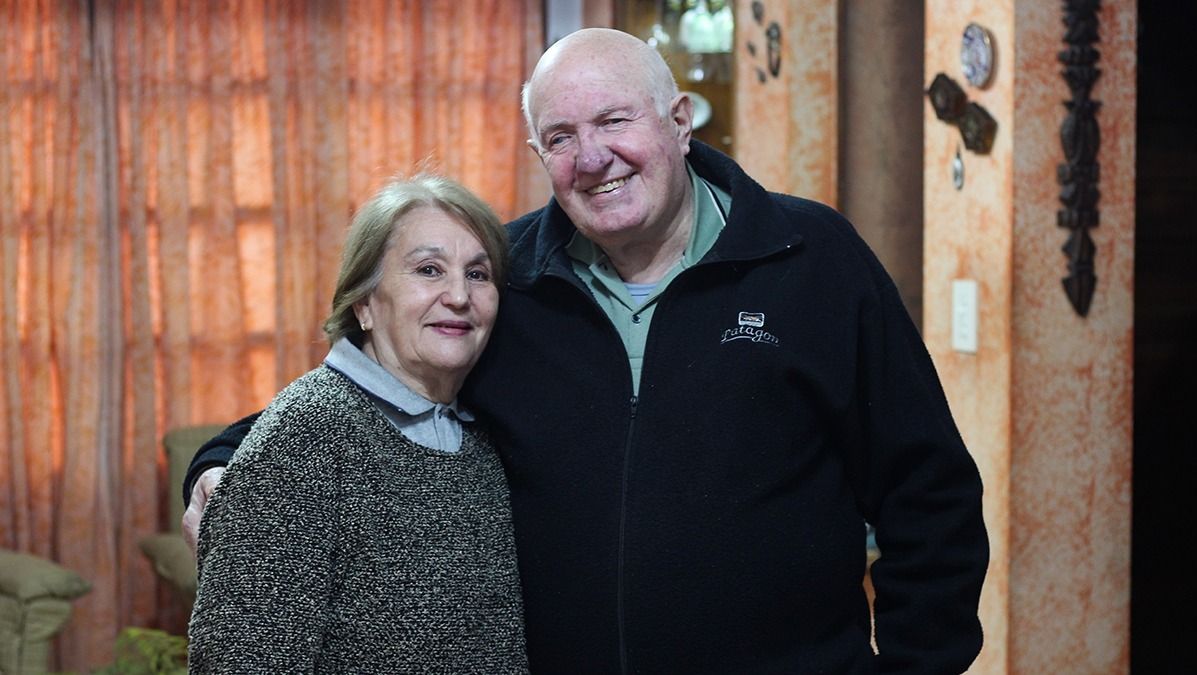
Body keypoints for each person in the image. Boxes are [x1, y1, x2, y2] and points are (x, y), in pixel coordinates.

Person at [184, 28, 988, 673]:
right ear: (540, 159)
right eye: (561, 136)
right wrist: (219, 462)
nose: (592, 157)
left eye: (613, 121)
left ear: (678, 121)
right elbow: (359, 390)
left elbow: (931, 491)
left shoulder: (811, 256)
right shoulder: (506, 280)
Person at [186, 175, 528, 673]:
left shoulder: (476, 432)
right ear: (364, 303)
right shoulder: (308, 432)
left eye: (478, 274)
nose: (458, 295)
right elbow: (242, 658)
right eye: (428, 270)